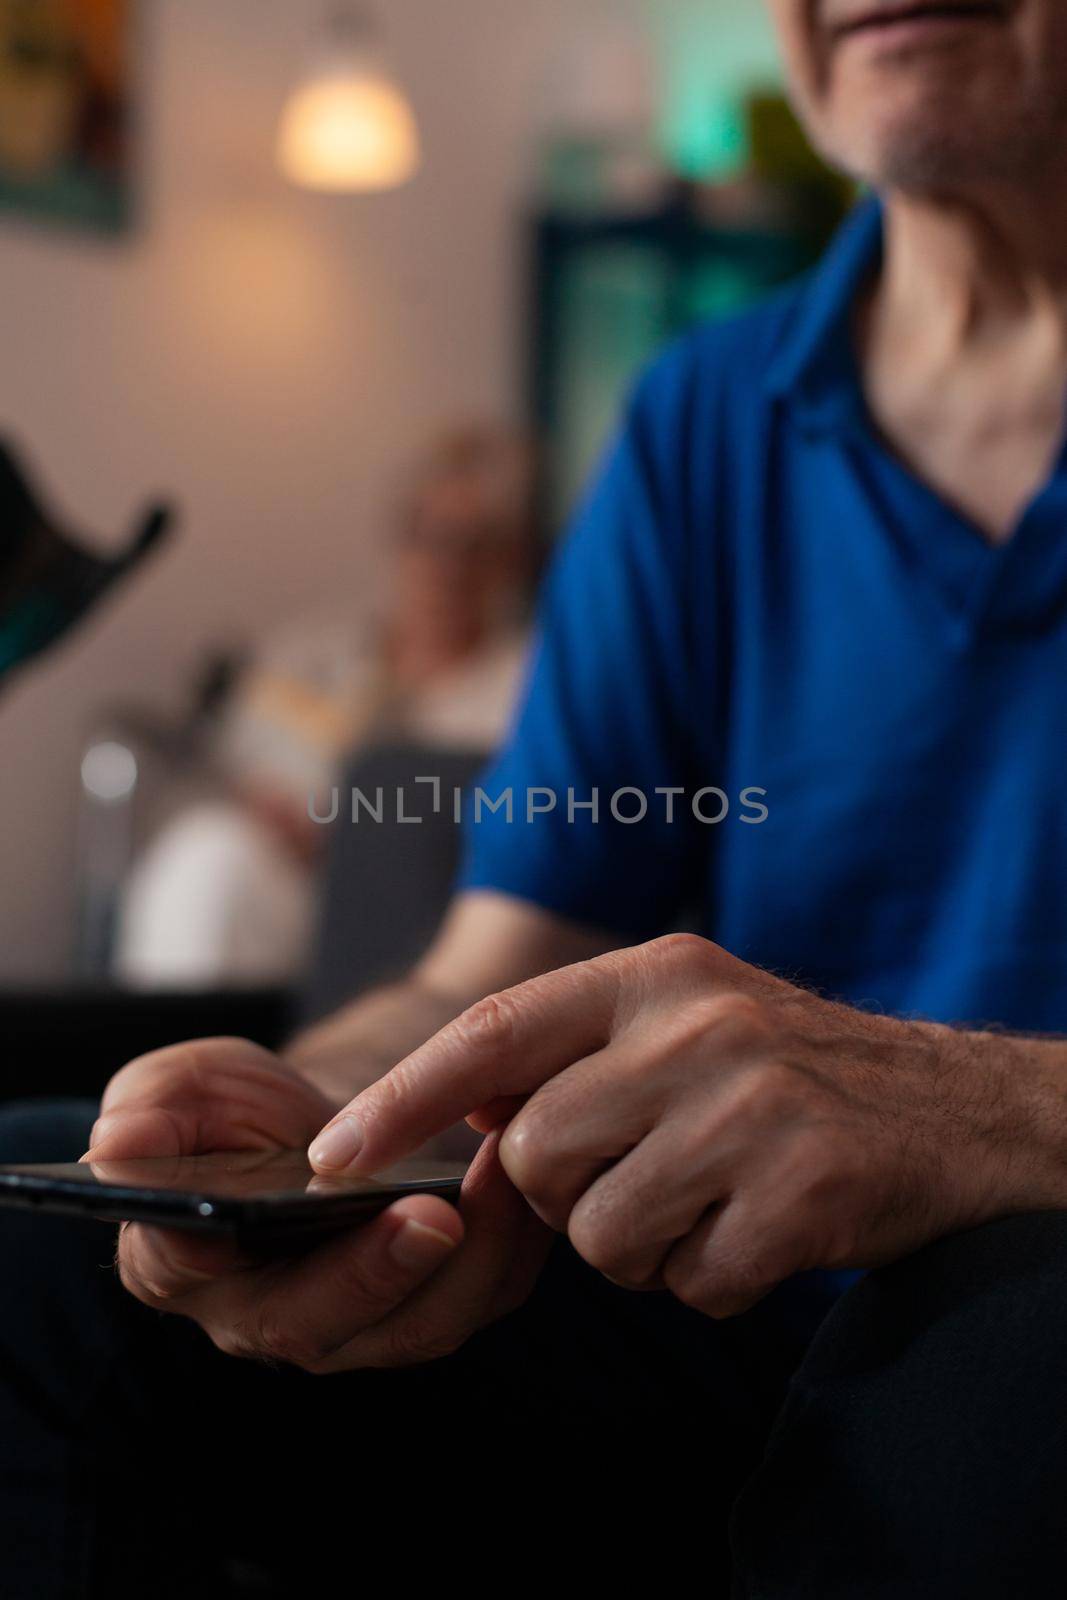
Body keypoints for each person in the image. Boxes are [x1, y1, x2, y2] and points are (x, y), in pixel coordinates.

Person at [6, 1, 1067, 1592]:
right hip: (697, 1309)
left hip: (1011, 1319)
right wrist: (325, 1121)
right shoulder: (698, 421)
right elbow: (483, 965)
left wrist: (959, 1108)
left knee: (992, 1397)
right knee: (37, 1239)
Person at [116, 426, 536, 988]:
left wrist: (348, 841)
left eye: (473, 544)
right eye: (426, 535)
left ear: (510, 559)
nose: (445, 565)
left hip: (423, 917)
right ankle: (168, 1062)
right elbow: (209, 782)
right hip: (272, 891)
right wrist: (262, 812)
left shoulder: (528, 688)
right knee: (212, 858)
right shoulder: (305, 656)